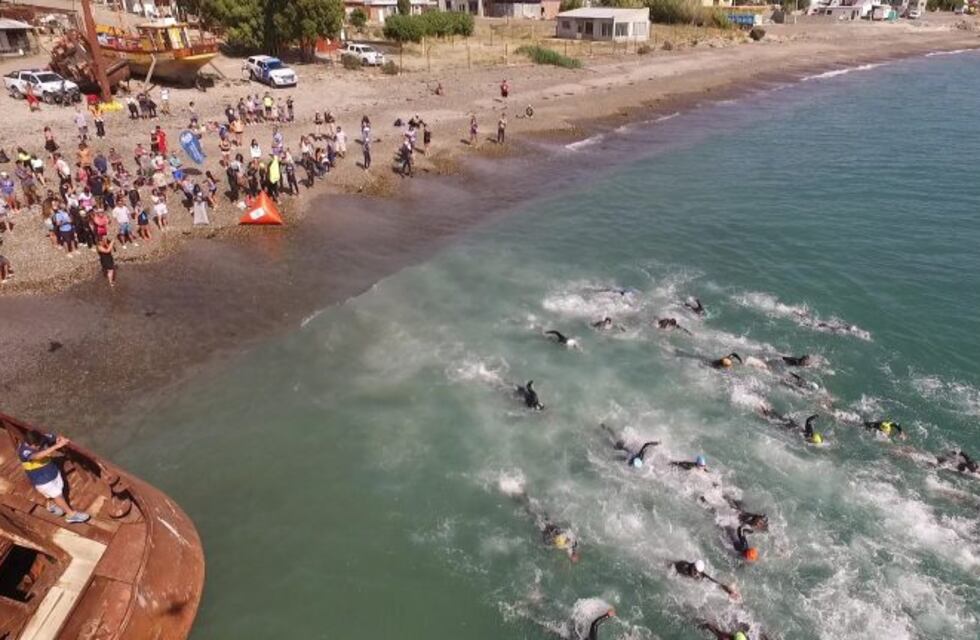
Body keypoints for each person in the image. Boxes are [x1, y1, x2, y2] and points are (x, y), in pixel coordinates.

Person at [17, 431, 90, 524]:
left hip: (52, 471)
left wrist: (59, 439)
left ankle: (51, 505)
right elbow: (37, 456)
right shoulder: (23, 451)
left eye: (39, 444)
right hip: (41, 479)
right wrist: (57, 446)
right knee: (57, 494)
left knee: (58, 489)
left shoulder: (42, 438)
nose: (39, 447)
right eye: (36, 446)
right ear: (30, 444)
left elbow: (54, 437)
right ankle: (71, 515)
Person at [674, 560, 740, 598]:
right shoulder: (682, 567)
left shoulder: (698, 573)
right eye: (695, 571)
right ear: (693, 565)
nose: (695, 573)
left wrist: (729, 591)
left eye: (696, 572)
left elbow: (713, 581)